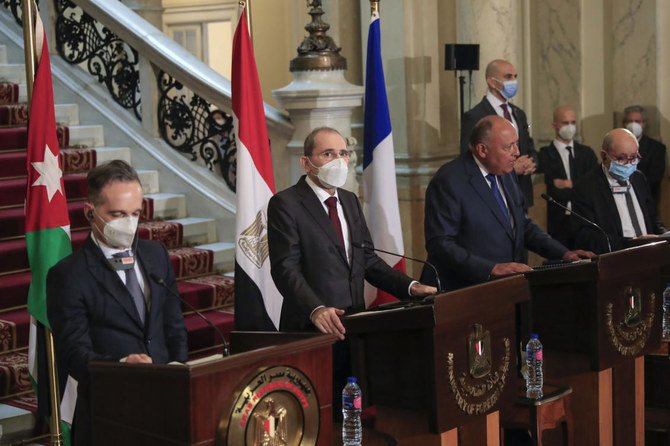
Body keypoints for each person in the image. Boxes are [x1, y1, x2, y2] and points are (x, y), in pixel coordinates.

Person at [267, 127, 437, 416]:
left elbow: (367, 260)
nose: (338, 160)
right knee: (318, 414)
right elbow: (285, 269)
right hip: (314, 328)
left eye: (343, 153)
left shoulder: (348, 200)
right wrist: (316, 309)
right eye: (328, 154)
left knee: (350, 412)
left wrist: (410, 287)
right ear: (306, 162)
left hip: (355, 325)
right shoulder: (286, 204)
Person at [47, 160, 187, 445]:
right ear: (90, 212)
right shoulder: (68, 275)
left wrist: (178, 372)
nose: (129, 223)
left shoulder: (156, 254)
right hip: (108, 412)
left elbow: (174, 325)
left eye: (135, 213)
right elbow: (74, 353)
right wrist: (122, 365)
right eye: (118, 214)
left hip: (165, 405)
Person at [424, 116, 593, 291]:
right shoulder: (450, 180)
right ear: (482, 149)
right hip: (465, 290)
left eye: (516, 144)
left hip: (508, 287)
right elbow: (440, 244)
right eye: (508, 147)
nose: (517, 152)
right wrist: (491, 269)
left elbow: (522, 225)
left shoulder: (505, 172)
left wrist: (564, 253)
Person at [572, 128, 666, 254]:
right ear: (604, 156)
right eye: (622, 158)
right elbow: (587, 237)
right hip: (616, 260)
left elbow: (652, 219)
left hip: (649, 257)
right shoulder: (586, 187)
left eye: (633, 157)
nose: (629, 164)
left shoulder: (638, 178)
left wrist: (664, 235)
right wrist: (631, 242)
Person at [460, 59, 537, 208]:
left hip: (520, 194)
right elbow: (468, 157)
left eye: (515, 76)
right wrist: (511, 169)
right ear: (492, 82)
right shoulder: (475, 115)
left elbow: (529, 147)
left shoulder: (518, 113)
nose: (514, 81)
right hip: (493, 195)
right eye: (508, 77)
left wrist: (531, 162)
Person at [538, 106, 598, 247]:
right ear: (555, 125)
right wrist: (578, 185)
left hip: (583, 217)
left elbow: (593, 183)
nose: (570, 127)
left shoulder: (587, 153)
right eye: (565, 123)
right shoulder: (544, 155)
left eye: (573, 122)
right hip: (556, 220)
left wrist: (570, 184)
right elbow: (551, 188)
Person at [622, 105, 667, 207]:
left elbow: (654, 178)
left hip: (645, 201)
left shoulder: (657, 148)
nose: (633, 125)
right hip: (619, 199)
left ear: (644, 123)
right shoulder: (615, 145)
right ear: (624, 123)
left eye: (637, 121)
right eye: (630, 121)